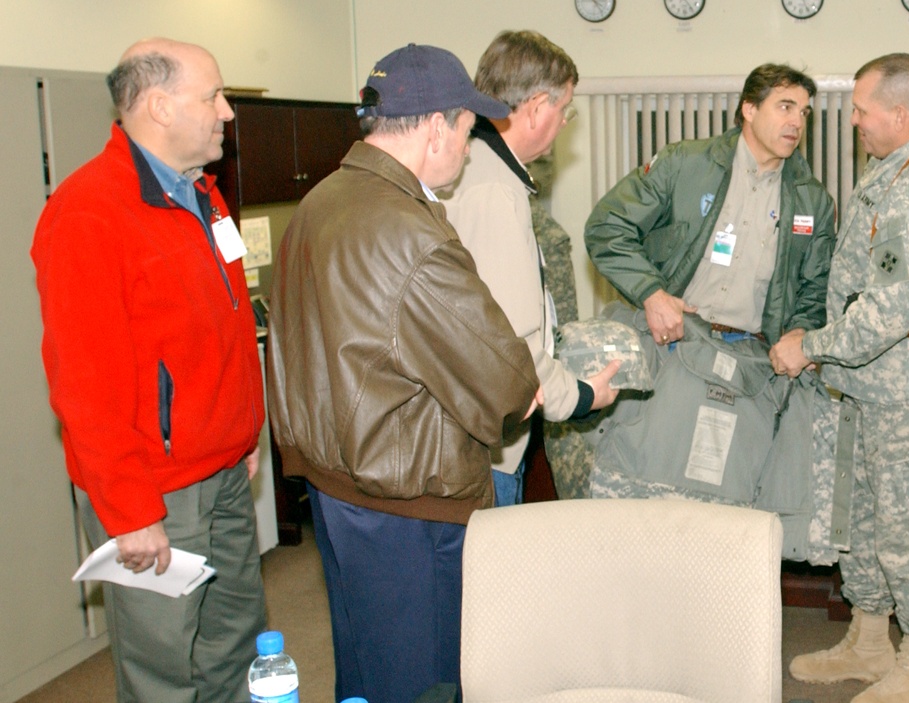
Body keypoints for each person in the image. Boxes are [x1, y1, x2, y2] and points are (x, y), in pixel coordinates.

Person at [266, 43, 541, 703]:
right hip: (407, 497)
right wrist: (523, 387)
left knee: (364, 668)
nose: (470, 148)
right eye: (469, 130)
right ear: (434, 125)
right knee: (426, 682)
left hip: (335, 486)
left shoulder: (320, 203)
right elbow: (507, 380)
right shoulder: (410, 232)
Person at [31, 38, 266, 702]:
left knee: (235, 645)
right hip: (155, 492)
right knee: (164, 665)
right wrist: (130, 510)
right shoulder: (89, 212)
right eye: (212, 96)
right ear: (159, 106)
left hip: (220, 471)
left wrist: (243, 437)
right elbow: (83, 384)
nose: (227, 111)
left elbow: (218, 333)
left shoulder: (203, 197)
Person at [770, 53, 909, 703]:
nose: (852, 119)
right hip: (872, 384)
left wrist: (813, 347)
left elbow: (891, 307)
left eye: (861, 109)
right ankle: (867, 640)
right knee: (863, 518)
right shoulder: (896, 168)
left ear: (900, 113)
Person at [439, 30, 620, 506]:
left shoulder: (479, 170)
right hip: (483, 447)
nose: (564, 123)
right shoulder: (494, 191)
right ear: (538, 107)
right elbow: (513, 343)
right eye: (564, 111)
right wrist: (582, 397)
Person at [585, 63, 836, 349]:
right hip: (674, 342)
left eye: (804, 112)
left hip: (749, 358)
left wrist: (799, 333)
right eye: (785, 107)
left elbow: (816, 290)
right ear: (749, 109)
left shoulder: (814, 202)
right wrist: (651, 294)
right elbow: (607, 225)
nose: (797, 122)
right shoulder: (683, 164)